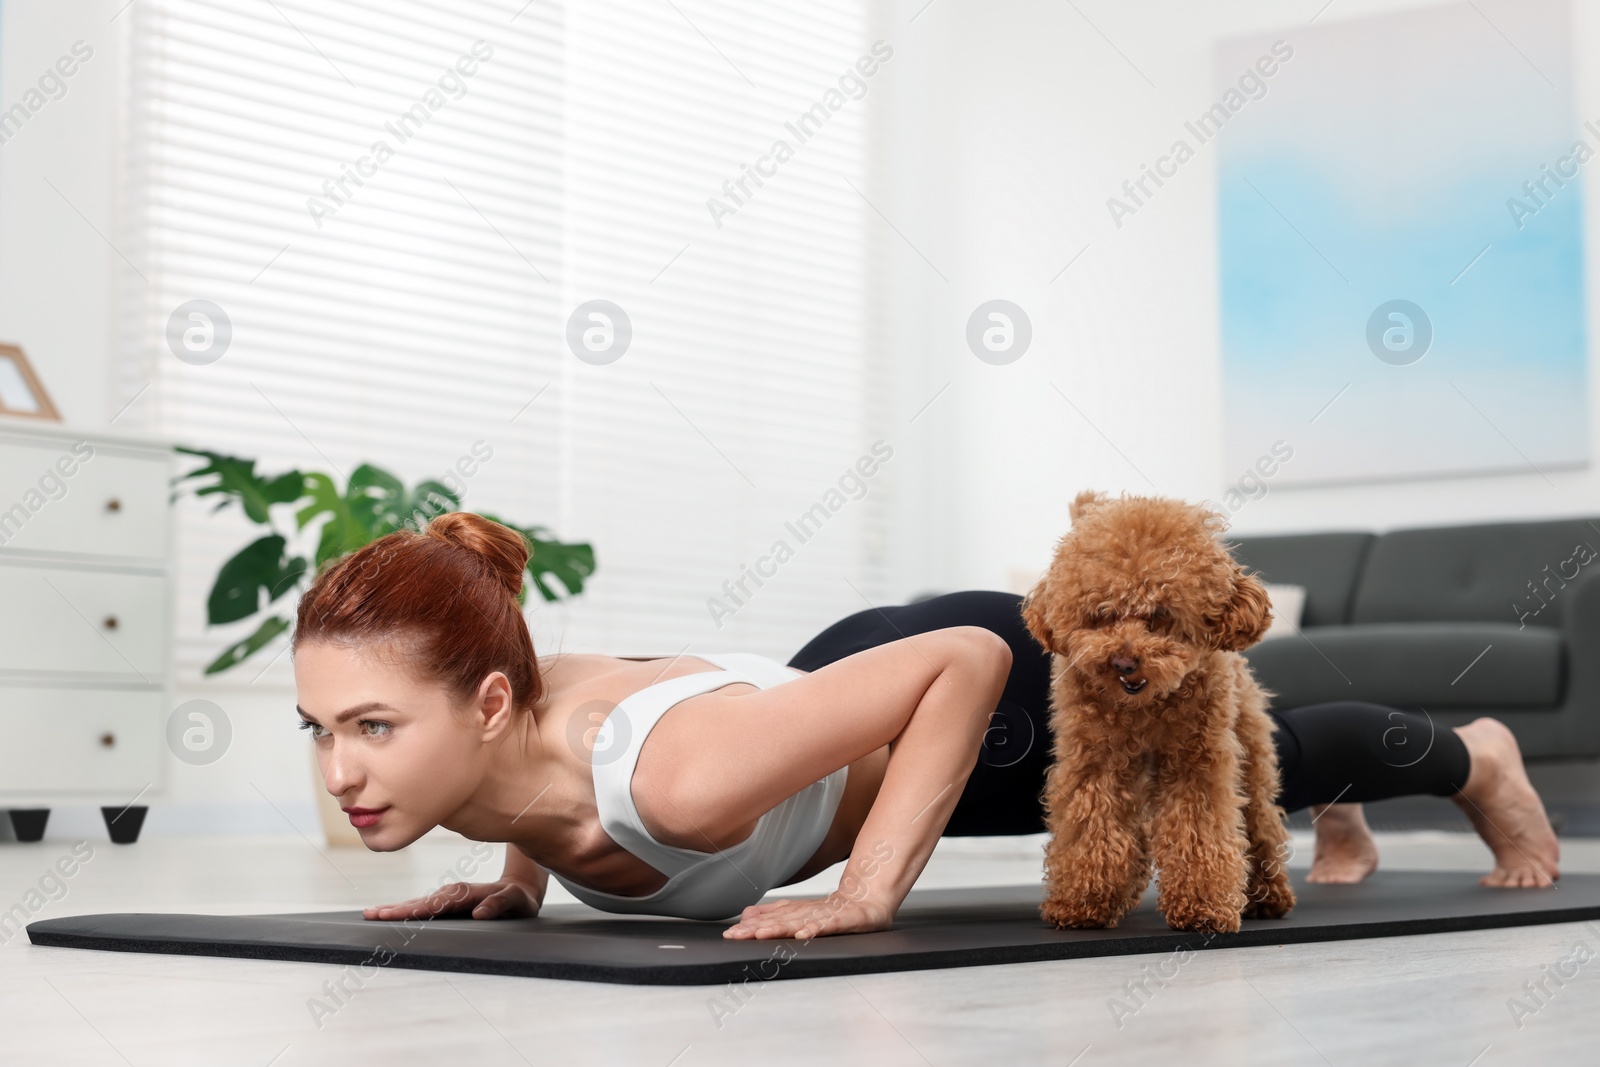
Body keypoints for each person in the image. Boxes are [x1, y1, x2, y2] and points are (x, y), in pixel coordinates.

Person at [292, 513, 1561, 942]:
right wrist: (521, 879)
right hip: (838, 684)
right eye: (318, 728)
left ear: (487, 701)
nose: (340, 769)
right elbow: (547, 726)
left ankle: (1478, 758)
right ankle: (1341, 802)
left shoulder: (679, 782)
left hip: (971, 691)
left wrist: (869, 888)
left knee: (1222, 757)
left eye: (370, 725)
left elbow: (960, 658)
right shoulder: (474, 728)